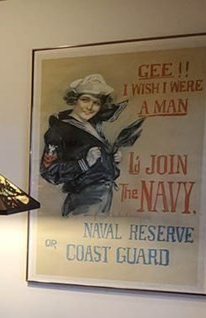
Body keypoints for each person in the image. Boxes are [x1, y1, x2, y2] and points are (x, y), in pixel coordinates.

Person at [39, 73, 141, 217]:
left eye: (96, 103)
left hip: (102, 199)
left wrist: (111, 158)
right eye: (85, 100)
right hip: (83, 202)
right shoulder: (60, 129)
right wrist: (85, 163)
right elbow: (49, 171)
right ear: (75, 100)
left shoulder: (92, 125)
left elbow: (92, 156)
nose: (90, 107)